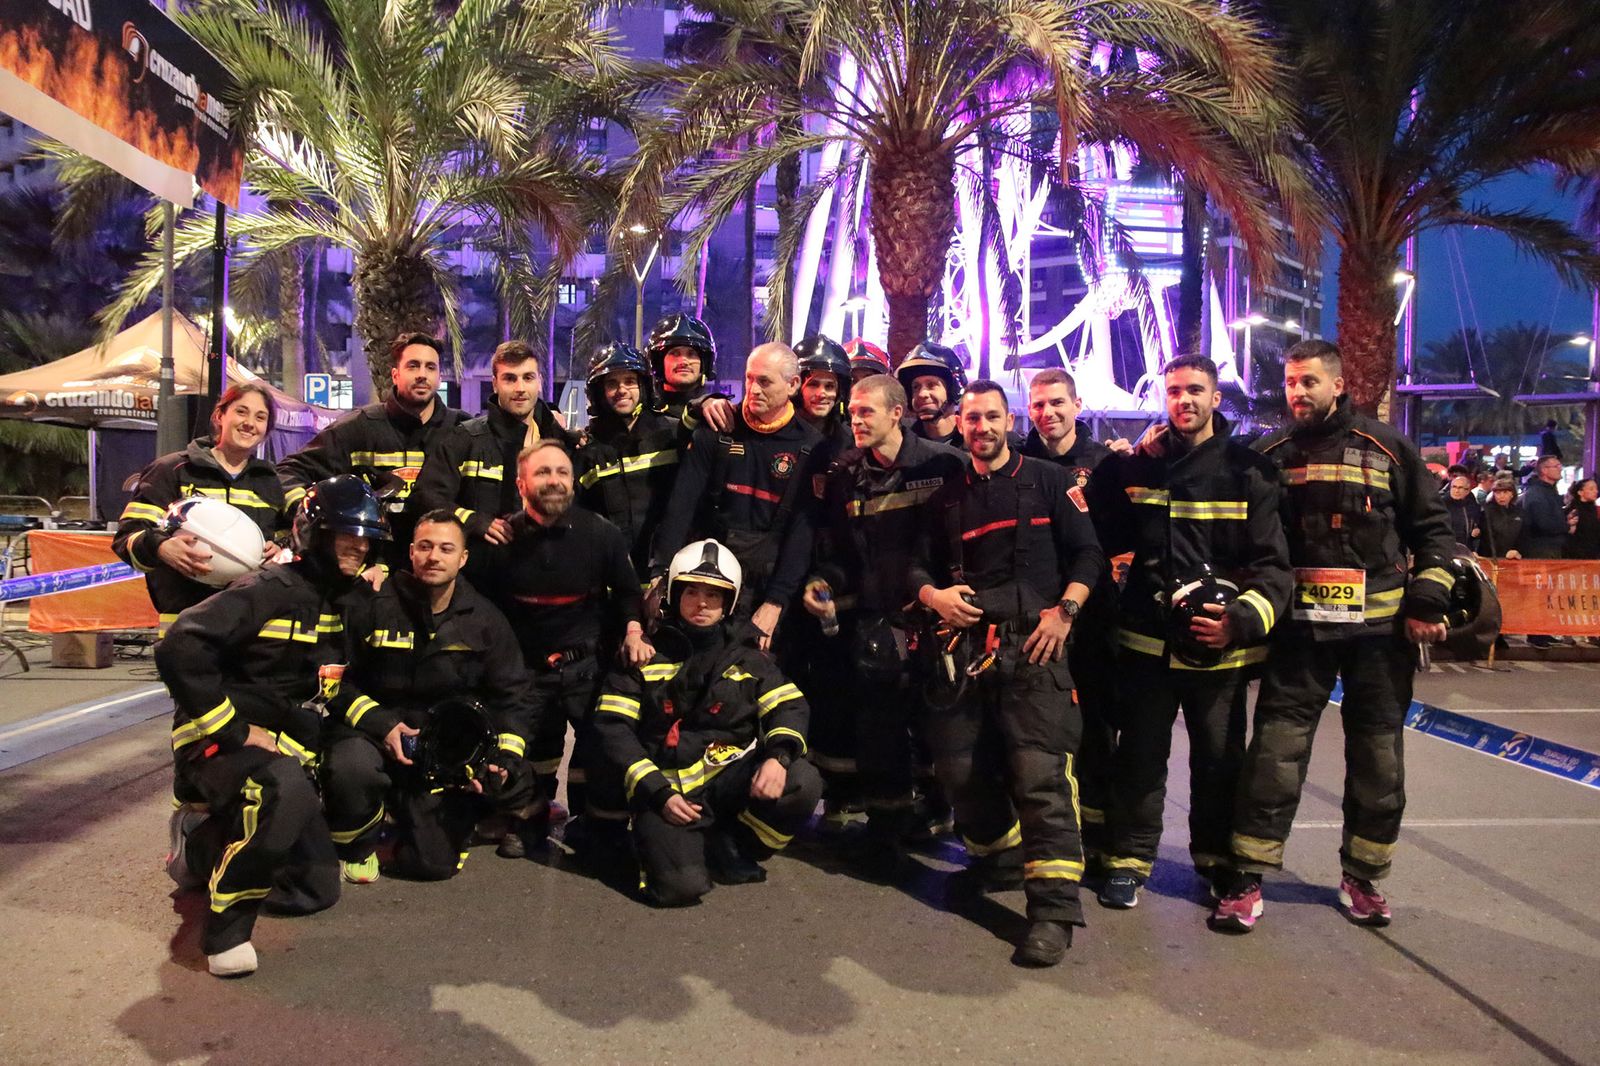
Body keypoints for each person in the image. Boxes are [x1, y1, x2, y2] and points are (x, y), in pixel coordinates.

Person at [1219, 340, 1456, 933]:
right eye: (1291, 382)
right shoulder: (1266, 453)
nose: (1298, 392)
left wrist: (1428, 598)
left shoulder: (1389, 449)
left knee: (1378, 758)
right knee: (1274, 754)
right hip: (1299, 636)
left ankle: (1364, 877)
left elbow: (1434, 531)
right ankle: (1247, 876)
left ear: (1338, 384)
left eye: (1309, 382)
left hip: (1380, 639)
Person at [155, 475, 385, 977]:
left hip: (282, 741)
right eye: (348, 535)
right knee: (283, 788)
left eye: (367, 538)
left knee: (314, 891)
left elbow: (329, 684)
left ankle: (213, 843)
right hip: (217, 742)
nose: (360, 546)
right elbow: (179, 647)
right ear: (313, 533)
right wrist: (232, 730)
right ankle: (224, 926)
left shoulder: (343, 601)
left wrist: (385, 727)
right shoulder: (267, 588)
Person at [1083, 355, 1291, 910]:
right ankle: (1128, 861)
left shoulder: (1250, 473)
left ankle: (1218, 863)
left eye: (1195, 390)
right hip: (1146, 647)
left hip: (1217, 649)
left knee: (1218, 764)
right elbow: (1097, 518)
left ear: (1216, 398)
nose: (1184, 401)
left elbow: (1274, 568)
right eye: (1174, 391)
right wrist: (1122, 459)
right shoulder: (1141, 467)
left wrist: (1240, 622)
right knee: (1140, 760)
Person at [911, 380, 1106, 967]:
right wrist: (932, 595)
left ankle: (1052, 911)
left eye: (992, 417)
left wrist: (1065, 612)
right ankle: (997, 857)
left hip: (1036, 649)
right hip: (965, 650)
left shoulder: (1050, 482)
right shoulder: (945, 498)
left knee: (1040, 776)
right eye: (972, 419)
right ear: (961, 424)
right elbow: (913, 565)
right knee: (959, 768)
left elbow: (1089, 555)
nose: (982, 428)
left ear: (1009, 419)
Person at [594, 539, 824, 906]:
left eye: (714, 595)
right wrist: (656, 792)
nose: (702, 602)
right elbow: (612, 730)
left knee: (802, 781)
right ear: (672, 594)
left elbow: (790, 706)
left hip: (726, 780)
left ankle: (733, 843)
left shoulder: (748, 657)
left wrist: (777, 758)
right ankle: (673, 847)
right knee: (679, 888)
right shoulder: (643, 655)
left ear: (728, 603)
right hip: (665, 791)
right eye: (691, 591)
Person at [803, 374, 967, 877]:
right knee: (881, 734)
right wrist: (823, 582)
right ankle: (888, 836)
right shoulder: (847, 475)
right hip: (878, 625)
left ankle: (971, 834)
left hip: (941, 623)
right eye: (853, 412)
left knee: (951, 736)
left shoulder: (945, 467)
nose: (855, 419)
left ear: (897, 413)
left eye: (866, 411)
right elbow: (842, 553)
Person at [319, 511, 535, 883]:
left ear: (463, 558)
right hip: (371, 738)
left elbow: (513, 695)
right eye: (426, 546)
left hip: (438, 756)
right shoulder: (370, 605)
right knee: (351, 768)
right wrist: (382, 725)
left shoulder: (484, 620)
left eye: (446, 548)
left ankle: (415, 813)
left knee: (433, 865)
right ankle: (355, 841)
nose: (435, 556)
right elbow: (333, 679)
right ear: (411, 553)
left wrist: (503, 756)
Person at [477, 440, 652, 854]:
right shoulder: (499, 543)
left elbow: (628, 592)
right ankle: (529, 818)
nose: (554, 481)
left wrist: (632, 631)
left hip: (587, 668)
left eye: (561, 473)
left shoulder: (601, 534)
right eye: (542, 473)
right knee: (529, 752)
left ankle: (593, 825)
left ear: (573, 482)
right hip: (526, 673)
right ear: (521, 484)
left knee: (599, 754)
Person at [651, 343, 823, 648]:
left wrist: (775, 603)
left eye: (765, 381)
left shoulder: (811, 447)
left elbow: (802, 534)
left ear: (793, 385)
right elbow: (681, 505)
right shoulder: (718, 429)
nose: (753, 389)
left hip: (766, 584)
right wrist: (660, 576)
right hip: (706, 576)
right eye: (749, 378)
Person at [1021, 368, 1120, 877]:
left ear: (1078, 404)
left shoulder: (1106, 467)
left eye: (1057, 403)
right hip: (1033, 620)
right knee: (1038, 731)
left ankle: (1099, 840)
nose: (1048, 413)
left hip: (1089, 619)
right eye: (1038, 405)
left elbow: (1115, 544)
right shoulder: (1017, 461)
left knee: (1097, 730)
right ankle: (1043, 837)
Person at [279, 332, 465, 567]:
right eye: (413, 366)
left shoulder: (460, 430)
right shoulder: (358, 428)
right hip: (372, 571)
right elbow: (289, 470)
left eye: (430, 367)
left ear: (439, 377)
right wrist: (303, 511)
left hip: (439, 567)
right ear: (395, 375)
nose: (421, 374)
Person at [114, 383, 286, 635]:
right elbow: (126, 537)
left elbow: (290, 540)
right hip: (184, 623)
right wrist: (160, 548)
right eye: (241, 411)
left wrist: (281, 550)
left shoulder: (272, 483)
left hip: (251, 627)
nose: (250, 423)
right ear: (219, 416)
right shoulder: (171, 471)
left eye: (260, 417)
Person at [411, 340, 570, 586]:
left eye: (528, 378)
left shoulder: (561, 442)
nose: (520, 388)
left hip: (546, 580)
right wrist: (475, 521)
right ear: (495, 383)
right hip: (482, 583)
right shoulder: (465, 438)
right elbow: (426, 497)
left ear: (539, 381)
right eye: (510, 379)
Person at [574, 343, 682, 576]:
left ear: (643, 386)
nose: (621, 390)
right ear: (598, 393)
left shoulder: (674, 435)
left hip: (668, 576)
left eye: (629, 381)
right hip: (613, 581)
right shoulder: (587, 450)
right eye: (612, 383)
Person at [647, 313, 718, 424]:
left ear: (704, 364)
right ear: (659, 363)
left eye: (691, 354)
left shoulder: (719, 414)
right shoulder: (644, 415)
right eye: (675, 353)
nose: (684, 362)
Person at [896, 342, 966, 448]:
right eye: (916, 387)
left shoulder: (973, 440)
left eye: (931, 385)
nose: (922, 394)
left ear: (952, 390)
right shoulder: (902, 440)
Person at [794, 334, 855, 454]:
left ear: (839, 392)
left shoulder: (849, 441)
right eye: (813, 384)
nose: (821, 394)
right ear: (796, 386)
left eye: (829, 386)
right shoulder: (777, 434)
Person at [1519, 456, 1568, 559]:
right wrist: (1567, 526)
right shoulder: (1537, 493)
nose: (1560, 468)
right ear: (1544, 470)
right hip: (1542, 551)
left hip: (1552, 548)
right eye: (1556, 466)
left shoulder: (1549, 491)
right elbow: (1543, 523)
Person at [1480, 475, 1524, 559]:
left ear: (1512, 494)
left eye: (1505, 492)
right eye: (1498, 493)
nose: (1501, 496)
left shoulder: (1519, 512)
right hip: (1491, 559)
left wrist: (1518, 551)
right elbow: (1487, 540)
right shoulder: (1486, 511)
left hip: (1515, 557)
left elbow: (1523, 536)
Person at [1442, 474, 1483, 553]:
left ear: (1467, 491)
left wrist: (1477, 531)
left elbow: (1477, 526)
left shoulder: (1473, 506)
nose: (1456, 491)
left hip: (1466, 550)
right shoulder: (1441, 505)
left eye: (1460, 488)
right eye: (1454, 487)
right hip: (1445, 550)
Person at [1565, 477, 1600, 559]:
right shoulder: (1573, 510)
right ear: (1580, 492)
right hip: (1577, 554)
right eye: (1591, 489)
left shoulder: (1595, 509)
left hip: (1594, 552)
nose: (1596, 491)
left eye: (1596, 488)